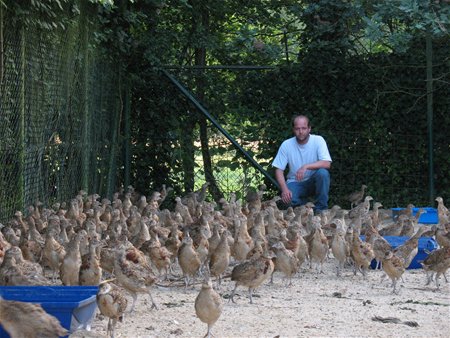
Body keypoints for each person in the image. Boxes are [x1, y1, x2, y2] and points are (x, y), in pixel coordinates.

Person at [272, 115, 332, 213]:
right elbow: (278, 169)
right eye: (297, 129)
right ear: (293, 129)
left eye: (304, 128)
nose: (300, 131)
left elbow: (326, 163)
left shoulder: (318, 140)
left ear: (309, 129)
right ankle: (308, 206)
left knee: (323, 173)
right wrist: (284, 190)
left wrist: (306, 166)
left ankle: (321, 209)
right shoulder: (286, 144)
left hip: (313, 181)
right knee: (288, 200)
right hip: (295, 182)